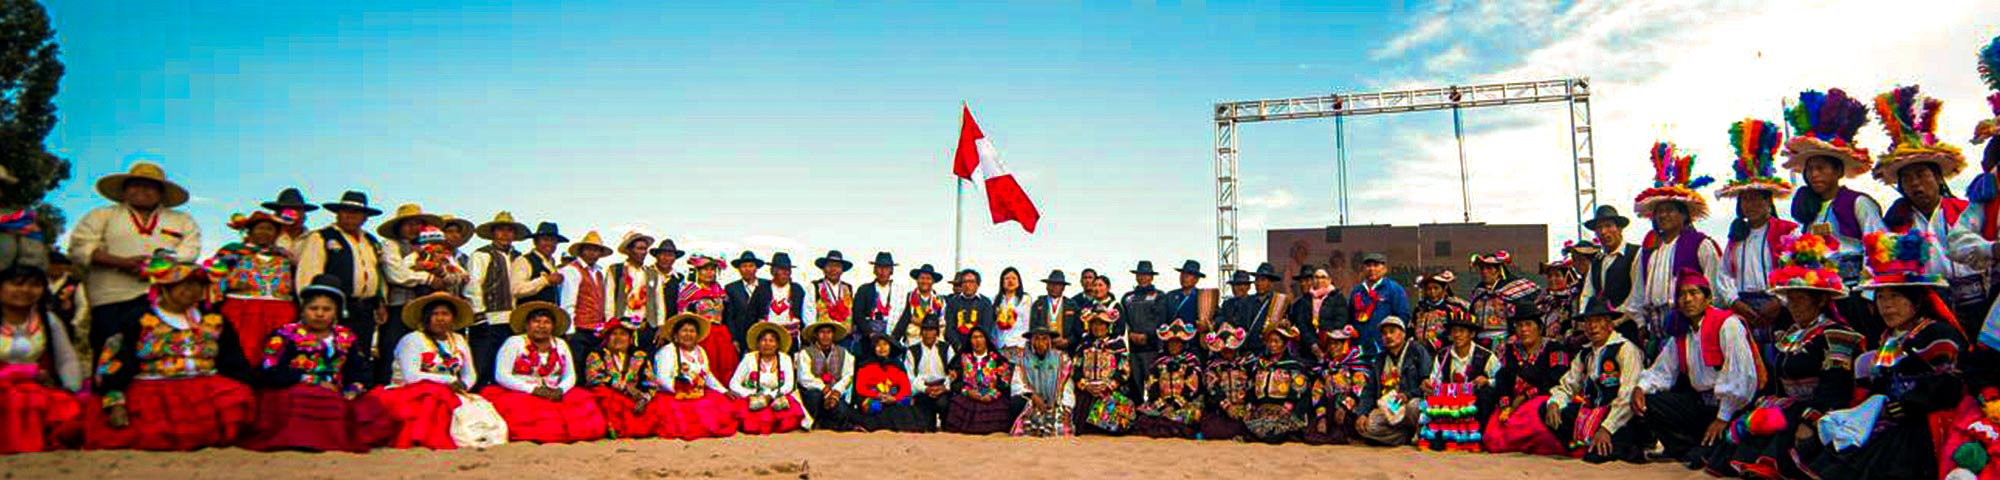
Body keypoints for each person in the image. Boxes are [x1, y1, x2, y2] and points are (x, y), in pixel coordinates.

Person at [1808, 230, 1967, 480]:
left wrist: (1909, 404)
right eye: (1881, 297)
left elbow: (1950, 385)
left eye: (1895, 297)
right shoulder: (1888, 338)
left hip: (1923, 421)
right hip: (1891, 418)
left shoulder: (1937, 334)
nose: (1887, 305)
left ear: (1916, 302)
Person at [1721, 233, 1862, 479]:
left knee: (1785, 418)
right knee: (1754, 422)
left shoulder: (1837, 335)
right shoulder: (1790, 334)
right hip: (1790, 406)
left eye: (1800, 300)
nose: (1793, 306)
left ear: (1819, 301)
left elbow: (1835, 389)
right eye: (1791, 300)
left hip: (1822, 410)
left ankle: (1774, 465)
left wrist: (1810, 419)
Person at [83, 255, 254, 451]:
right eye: (183, 284)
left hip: (204, 386)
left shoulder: (214, 319)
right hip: (155, 388)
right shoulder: (138, 319)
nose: (192, 290)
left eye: (198, 285)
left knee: (237, 396)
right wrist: (115, 401)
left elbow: (233, 360)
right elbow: (115, 361)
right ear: (164, 287)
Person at [294, 192, 435, 388]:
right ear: (338, 213)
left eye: (357, 212)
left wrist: (380, 301)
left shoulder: (370, 241)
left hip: (365, 307)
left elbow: (377, 275)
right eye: (347, 211)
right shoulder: (322, 237)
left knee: (359, 354)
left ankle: (355, 393)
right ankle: (325, 393)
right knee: (330, 351)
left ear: (365, 217)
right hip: (334, 306)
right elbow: (308, 273)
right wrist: (312, 307)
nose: (351, 216)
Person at [1781, 89, 1888, 337]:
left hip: (1855, 295)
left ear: (1838, 171)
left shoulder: (1858, 203)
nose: (1814, 175)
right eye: (1811, 170)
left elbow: (1879, 246)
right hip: (1821, 300)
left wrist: (1870, 296)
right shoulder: (1808, 214)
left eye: (1821, 168)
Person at [1871, 87, 1979, 329]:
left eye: (1922, 175)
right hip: (1929, 302)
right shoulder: (1897, 222)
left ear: (1939, 178)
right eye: (1907, 179)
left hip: (1975, 295)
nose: (1915, 183)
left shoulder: (1966, 211)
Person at [68, 163, 202, 356]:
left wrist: (156, 267)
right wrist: (121, 263)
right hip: (112, 298)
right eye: (135, 185)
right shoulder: (101, 215)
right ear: (125, 190)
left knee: (159, 354)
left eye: (150, 186)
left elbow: (190, 250)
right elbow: (80, 248)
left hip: (165, 300)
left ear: (161, 193)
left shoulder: (182, 220)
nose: (142, 190)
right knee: (110, 355)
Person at [1633, 269, 1759, 471]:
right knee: (1649, 402)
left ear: (1708, 299)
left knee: (1716, 460)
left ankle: (1703, 448)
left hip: (1730, 409)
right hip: (1701, 404)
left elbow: (1741, 375)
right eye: (1682, 295)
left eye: (1694, 293)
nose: (1687, 300)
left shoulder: (1727, 324)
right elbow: (1662, 370)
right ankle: (1689, 448)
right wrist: (1641, 387)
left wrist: (1723, 417)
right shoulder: (1682, 334)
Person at [1625, 142, 1731, 348]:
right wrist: (1640, 324)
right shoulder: (1647, 252)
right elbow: (1637, 293)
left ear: (1684, 215)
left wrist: (1703, 323)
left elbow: (1714, 288)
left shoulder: (1701, 244)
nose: (1664, 215)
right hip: (1654, 327)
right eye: (1659, 211)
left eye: (1670, 209)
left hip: (1691, 325)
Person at [357, 290, 482, 450]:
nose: (440, 318)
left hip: (450, 392)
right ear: (426, 317)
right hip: (410, 393)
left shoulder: (458, 340)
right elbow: (411, 376)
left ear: (453, 317)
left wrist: (464, 386)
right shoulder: (412, 340)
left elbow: (469, 373)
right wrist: (449, 381)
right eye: (435, 314)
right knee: (432, 400)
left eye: (445, 313)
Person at [478, 301, 606, 444]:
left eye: (547, 322)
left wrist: (561, 389)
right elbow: (501, 375)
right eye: (536, 321)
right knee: (526, 411)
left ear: (553, 327)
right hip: (521, 392)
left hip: (554, 392)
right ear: (527, 325)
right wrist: (533, 390)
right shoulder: (514, 342)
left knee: (583, 402)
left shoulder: (561, 345)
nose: (541, 326)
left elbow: (570, 375)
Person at [1542, 299, 1649, 463]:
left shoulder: (1625, 349)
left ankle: (1620, 444)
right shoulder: (1585, 353)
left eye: (1598, 321)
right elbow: (1568, 385)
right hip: (1592, 414)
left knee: (1595, 457)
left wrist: (1607, 428)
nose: (1593, 327)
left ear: (1610, 325)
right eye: (1588, 322)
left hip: (1620, 417)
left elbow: (1627, 393)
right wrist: (1555, 402)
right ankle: (1590, 442)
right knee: (1546, 409)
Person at [0, 264, 84, 454]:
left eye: (34, 285)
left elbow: (67, 358)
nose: (25, 291)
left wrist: (70, 388)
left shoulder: (48, 320)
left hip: (35, 390)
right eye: (16, 284)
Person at [1719, 119, 1803, 300]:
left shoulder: (1787, 231)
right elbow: (1724, 274)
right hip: (1744, 305)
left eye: (1758, 199)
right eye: (1746, 199)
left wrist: (1780, 302)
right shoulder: (1736, 236)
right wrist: (1734, 302)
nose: (1752, 204)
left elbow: (1797, 269)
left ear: (1768, 202)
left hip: (1778, 303)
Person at [1482, 304, 1574, 456]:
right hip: (1513, 405)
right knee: (1493, 438)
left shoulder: (1555, 349)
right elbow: (1502, 377)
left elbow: (1558, 378)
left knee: (1533, 426)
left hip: (1542, 399)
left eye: (1529, 324)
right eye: (1519, 325)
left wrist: (1526, 396)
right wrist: (1506, 404)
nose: (1524, 330)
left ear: (1539, 327)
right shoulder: (1511, 350)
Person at [214, 211, 299, 367]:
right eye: (260, 228)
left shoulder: (284, 256)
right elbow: (214, 276)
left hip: (279, 310)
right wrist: (230, 285)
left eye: (270, 229)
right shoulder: (232, 252)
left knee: (275, 349)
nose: (265, 232)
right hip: (242, 308)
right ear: (250, 231)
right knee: (241, 349)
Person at [463, 212, 529, 388]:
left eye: (509, 230)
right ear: (493, 233)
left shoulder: (519, 257)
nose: (505, 234)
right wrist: (479, 313)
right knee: (483, 365)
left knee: (508, 367)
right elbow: (473, 284)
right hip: (489, 318)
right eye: (501, 230)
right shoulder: (482, 255)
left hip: (514, 319)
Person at [650, 312, 739, 440]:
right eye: (684, 331)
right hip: (674, 395)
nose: (688, 334)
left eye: (692, 331)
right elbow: (662, 378)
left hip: (697, 392)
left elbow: (707, 375)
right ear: (675, 335)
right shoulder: (666, 352)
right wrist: (682, 389)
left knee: (720, 403)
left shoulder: (700, 351)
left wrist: (723, 391)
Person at [1422, 309, 1501, 452]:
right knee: (1436, 444)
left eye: (1462, 331)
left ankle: (1481, 436)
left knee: (1486, 393)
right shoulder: (1442, 355)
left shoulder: (1486, 356)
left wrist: (1487, 381)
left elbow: (1501, 380)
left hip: (1474, 408)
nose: (1457, 335)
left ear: (1472, 334)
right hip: (1450, 407)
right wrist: (1429, 385)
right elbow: (1435, 380)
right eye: (1454, 331)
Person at [1356, 316, 1432, 446]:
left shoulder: (1417, 351)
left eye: (1392, 331)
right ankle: (1405, 436)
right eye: (1384, 334)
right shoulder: (1380, 359)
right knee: (1368, 427)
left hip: (1410, 404)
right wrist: (1362, 413)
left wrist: (1408, 395)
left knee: (1415, 406)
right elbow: (1370, 390)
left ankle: (1413, 432)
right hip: (1389, 408)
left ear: (1402, 333)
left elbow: (1427, 386)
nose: (1388, 336)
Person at [583, 316, 658, 439]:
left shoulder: (639, 356)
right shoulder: (597, 354)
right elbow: (594, 377)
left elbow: (651, 383)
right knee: (603, 395)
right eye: (614, 334)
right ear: (607, 338)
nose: (618, 338)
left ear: (630, 339)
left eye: (623, 334)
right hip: (609, 396)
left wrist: (643, 398)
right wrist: (624, 388)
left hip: (633, 398)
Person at [731, 321, 807, 434]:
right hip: (753, 398)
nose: (767, 344)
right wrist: (749, 394)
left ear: (777, 344)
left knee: (787, 416)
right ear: (758, 343)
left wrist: (770, 396)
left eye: (771, 341)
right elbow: (734, 383)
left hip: (777, 396)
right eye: (763, 340)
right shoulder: (749, 358)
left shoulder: (785, 359)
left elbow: (789, 385)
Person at [1133, 318, 1202, 439]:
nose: (1174, 345)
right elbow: (1152, 386)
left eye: (1177, 342)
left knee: (1194, 416)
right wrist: (1162, 406)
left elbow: (1191, 388)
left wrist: (1174, 405)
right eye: (1171, 342)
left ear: (1183, 343)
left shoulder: (1191, 362)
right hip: (1161, 404)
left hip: (1184, 404)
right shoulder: (1158, 362)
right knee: (1141, 417)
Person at [1072, 302, 1133, 436]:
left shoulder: (1118, 344)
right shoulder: (1084, 344)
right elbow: (1075, 369)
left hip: (1109, 390)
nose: (1097, 327)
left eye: (1101, 324)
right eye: (1094, 323)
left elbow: (1124, 370)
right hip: (1087, 390)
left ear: (1108, 326)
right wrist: (1086, 385)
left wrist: (1107, 386)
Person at [1244, 321, 1311, 443]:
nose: (1272, 345)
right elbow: (1251, 386)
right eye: (1270, 341)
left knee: (1274, 434)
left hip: (1285, 409)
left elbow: (1299, 388)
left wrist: (1287, 407)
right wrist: (1250, 406)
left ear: (1285, 344)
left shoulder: (1293, 365)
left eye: (1276, 341)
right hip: (1263, 410)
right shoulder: (1260, 364)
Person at [557, 231, 613, 374]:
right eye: (589, 249)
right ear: (581, 251)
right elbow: (568, 301)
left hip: (595, 329)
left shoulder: (599, 273)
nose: (593, 253)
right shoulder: (572, 270)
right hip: (579, 329)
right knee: (577, 367)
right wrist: (570, 330)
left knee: (593, 369)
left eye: (596, 250)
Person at [943, 327, 1018, 435]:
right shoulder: (962, 359)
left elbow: (1004, 382)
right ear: (970, 340)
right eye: (974, 337)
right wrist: (968, 392)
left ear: (986, 340)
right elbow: (955, 383)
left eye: (980, 337)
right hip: (969, 396)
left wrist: (991, 394)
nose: (978, 341)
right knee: (956, 404)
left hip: (992, 396)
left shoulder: (997, 359)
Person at [678, 254, 740, 382]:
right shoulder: (690, 291)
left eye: (712, 269)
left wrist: (733, 338)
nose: (709, 273)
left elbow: (728, 316)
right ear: (698, 271)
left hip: (721, 335)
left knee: (725, 367)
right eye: (705, 269)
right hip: (701, 334)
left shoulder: (720, 291)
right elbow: (682, 315)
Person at [1304, 326, 1369, 445]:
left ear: (1345, 345)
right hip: (1329, 411)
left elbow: (1359, 390)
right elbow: (1317, 392)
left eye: (1337, 344)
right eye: (1330, 344)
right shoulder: (1326, 369)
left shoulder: (1356, 367)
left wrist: (1344, 408)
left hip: (1350, 411)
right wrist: (1321, 415)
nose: (1333, 347)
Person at [1011, 316, 1074, 437]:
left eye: (1044, 339)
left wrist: (1064, 404)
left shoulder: (1062, 359)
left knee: (1059, 427)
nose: (1041, 343)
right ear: (1032, 341)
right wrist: (1033, 396)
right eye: (1037, 339)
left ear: (1050, 341)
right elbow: (1017, 383)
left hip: (1055, 404)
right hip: (1032, 404)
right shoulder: (1023, 359)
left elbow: (1067, 385)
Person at [852, 332, 926, 432]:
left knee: (904, 407)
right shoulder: (864, 366)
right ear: (874, 348)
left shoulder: (897, 365)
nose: (882, 348)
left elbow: (906, 388)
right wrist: (877, 395)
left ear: (890, 347)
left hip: (893, 398)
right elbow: (860, 388)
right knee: (876, 407)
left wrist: (894, 398)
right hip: (873, 398)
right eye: (878, 345)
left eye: (885, 344)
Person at [1468, 251, 1541, 348]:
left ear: (1499, 270)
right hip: (1480, 342)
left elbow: (1520, 316)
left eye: (1489, 268)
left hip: (1505, 341)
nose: (1485, 272)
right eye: (1482, 268)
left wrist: (1514, 336)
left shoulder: (1512, 290)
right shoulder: (1479, 293)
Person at [794, 318, 854, 432]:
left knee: (842, 411)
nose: (825, 336)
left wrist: (836, 392)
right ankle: (815, 420)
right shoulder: (806, 352)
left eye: (829, 332)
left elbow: (848, 375)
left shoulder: (843, 352)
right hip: (813, 392)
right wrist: (823, 388)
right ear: (816, 335)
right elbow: (804, 377)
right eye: (822, 332)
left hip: (835, 392)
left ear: (833, 334)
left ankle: (827, 423)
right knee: (814, 397)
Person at [1121, 261, 1167, 400]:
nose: (1142, 277)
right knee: (1134, 387)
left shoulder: (1159, 296)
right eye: (1140, 274)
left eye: (1146, 275)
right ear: (1136, 276)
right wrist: (1130, 334)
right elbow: (1123, 321)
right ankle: (1135, 417)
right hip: (1133, 349)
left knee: (1153, 386)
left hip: (1152, 349)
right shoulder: (1127, 298)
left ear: (1151, 277)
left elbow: (1162, 321)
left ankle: (1153, 420)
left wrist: (1148, 336)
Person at [1580, 206, 1641, 309]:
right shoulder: (1597, 261)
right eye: (1599, 228)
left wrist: (1617, 318)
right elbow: (1588, 294)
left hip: (1630, 320)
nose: (1603, 232)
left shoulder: (1635, 253)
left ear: (1620, 229)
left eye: (1608, 226)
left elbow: (1637, 294)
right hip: (1603, 322)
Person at [1199, 323, 1252, 441]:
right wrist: (1227, 407)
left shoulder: (1246, 364)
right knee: (1215, 429)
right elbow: (1213, 389)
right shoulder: (1212, 367)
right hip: (1221, 410)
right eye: (1225, 349)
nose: (1228, 351)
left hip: (1244, 407)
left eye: (1230, 349)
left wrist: (1247, 407)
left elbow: (1252, 386)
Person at [1350, 253, 1410, 356]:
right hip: (1360, 348)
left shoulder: (1394, 289)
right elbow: (1350, 317)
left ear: (1384, 269)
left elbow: (1403, 316)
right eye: (1368, 265)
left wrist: (1393, 340)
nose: (1372, 269)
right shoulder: (1357, 291)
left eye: (1376, 265)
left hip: (1385, 346)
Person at [605, 232, 659, 333]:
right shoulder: (616, 270)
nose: (643, 252)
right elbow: (609, 299)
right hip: (621, 325)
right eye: (639, 248)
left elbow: (659, 300)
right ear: (629, 250)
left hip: (646, 326)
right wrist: (610, 323)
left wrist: (660, 326)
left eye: (645, 249)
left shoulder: (653, 273)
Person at [907, 317, 955, 431]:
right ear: (921, 332)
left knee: (943, 404)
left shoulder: (946, 348)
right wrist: (925, 389)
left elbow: (953, 373)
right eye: (925, 330)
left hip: (942, 388)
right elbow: (910, 377)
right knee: (926, 426)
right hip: (923, 390)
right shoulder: (913, 351)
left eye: (932, 330)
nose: (928, 334)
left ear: (937, 332)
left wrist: (944, 387)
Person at [1289, 266, 1347, 359]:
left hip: (1332, 347)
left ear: (1329, 280)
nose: (1319, 280)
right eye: (1316, 277)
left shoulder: (1337, 297)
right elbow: (1302, 324)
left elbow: (1341, 320)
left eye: (1323, 277)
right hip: (1308, 348)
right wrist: (1313, 344)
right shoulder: (1305, 299)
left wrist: (1328, 340)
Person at [758, 253, 811, 351]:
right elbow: (752, 314)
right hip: (767, 339)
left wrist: (805, 341)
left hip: (791, 338)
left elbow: (804, 315)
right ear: (773, 271)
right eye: (781, 269)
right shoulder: (762, 289)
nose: (785, 273)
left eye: (788, 270)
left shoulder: (797, 290)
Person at [1412, 270, 1472, 352]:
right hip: (1420, 352)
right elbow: (1412, 327)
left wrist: (1434, 343)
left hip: (1445, 351)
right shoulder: (1420, 308)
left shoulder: (1454, 308)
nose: (1432, 292)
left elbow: (1456, 331)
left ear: (1444, 289)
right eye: (1429, 289)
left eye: (1436, 288)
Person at [643, 239, 687, 350]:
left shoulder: (679, 279)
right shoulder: (645, 274)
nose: (666, 258)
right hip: (646, 327)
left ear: (675, 258)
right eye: (662, 254)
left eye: (670, 255)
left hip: (671, 327)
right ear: (656, 256)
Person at [851, 252, 901, 348]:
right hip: (868, 338)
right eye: (879, 267)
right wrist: (870, 333)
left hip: (891, 337)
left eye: (886, 268)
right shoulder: (864, 290)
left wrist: (894, 337)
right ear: (874, 270)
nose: (882, 271)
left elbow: (904, 316)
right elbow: (858, 314)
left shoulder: (899, 292)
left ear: (891, 270)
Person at [724, 251, 769, 352]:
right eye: (744, 266)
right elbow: (729, 317)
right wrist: (733, 339)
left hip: (764, 335)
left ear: (756, 268)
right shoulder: (731, 288)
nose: (747, 269)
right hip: (741, 336)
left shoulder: (766, 285)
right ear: (739, 269)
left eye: (751, 266)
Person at [810, 251, 856, 349]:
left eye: (837, 266)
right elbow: (808, 313)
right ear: (823, 269)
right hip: (822, 339)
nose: (833, 269)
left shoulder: (848, 288)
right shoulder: (814, 287)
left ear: (842, 270)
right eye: (829, 266)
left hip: (845, 338)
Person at [892, 264, 947, 346]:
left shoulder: (940, 301)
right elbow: (903, 320)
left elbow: (942, 323)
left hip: (934, 343)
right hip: (912, 341)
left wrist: (918, 321)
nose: (925, 281)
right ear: (917, 280)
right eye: (922, 278)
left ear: (933, 281)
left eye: (928, 279)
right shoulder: (908, 297)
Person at [946, 268, 998, 354]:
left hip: (979, 350)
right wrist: (959, 346)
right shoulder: (953, 303)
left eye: (971, 282)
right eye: (964, 282)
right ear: (961, 284)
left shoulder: (985, 302)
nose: (967, 285)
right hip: (957, 350)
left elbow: (987, 327)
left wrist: (976, 346)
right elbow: (950, 329)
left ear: (978, 284)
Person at [1538, 259, 1586, 346]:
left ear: (1567, 277)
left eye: (1557, 275)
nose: (1553, 279)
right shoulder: (1543, 300)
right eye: (1550, 276)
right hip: (1544, 347)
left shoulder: (1574, 299)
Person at [258, 187, 316, 259]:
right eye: (287, 212)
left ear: (304, 215)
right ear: (277, 215)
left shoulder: (314, 239)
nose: (292, 216)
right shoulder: (268, 237)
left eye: (297, 211)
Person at [1029, 270, 1076, 353]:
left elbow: (1077, 330)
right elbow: (1033, 327)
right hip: (1042, 350)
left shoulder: (1072, 305)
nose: (1053, 287)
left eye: (1057, 285)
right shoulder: (1038, 304)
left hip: (1065, 350)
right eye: (1051, 284)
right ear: (1046, 286)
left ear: (1063, 287)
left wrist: (1068, 341)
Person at [993, 267, 1033, 363]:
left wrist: (1022, 344)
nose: (1010, 281)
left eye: (1014, 278)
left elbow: (1027, 324)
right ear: (1002, 282)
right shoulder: (996, 300)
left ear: (1019, 282)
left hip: (1018, 346)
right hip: (1001, 346)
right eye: (1007, 278)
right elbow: (994, 325)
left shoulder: (1025, 299)